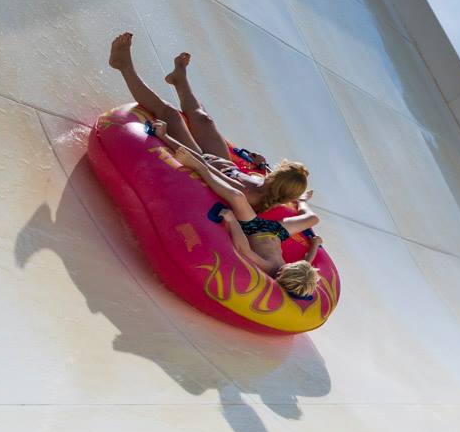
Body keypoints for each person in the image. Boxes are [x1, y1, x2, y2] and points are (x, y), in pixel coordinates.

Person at [107, 31, 310, 214]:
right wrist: (261, 167)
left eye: (275, 171)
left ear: (276, 181)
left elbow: (202, 166)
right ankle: (179, 79)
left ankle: (123, 65)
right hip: (223, 163)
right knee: (204, 120)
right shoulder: (267, 188)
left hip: (203, 163)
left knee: (169, 114)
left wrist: (165, 136)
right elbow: (288, 192)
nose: (271, 171)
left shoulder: (248, 195)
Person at [154, 119, 324, 300]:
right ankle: (303, 200)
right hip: (277, 233)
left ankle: (199, 166)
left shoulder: (267, 266)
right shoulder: (299, 269)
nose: (286, 265)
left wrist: (233, 221)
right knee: (313, 219)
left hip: (255, 228)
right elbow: (307, 261)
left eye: (285, 268)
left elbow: (244, 248)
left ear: (281, 277)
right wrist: (314, 245)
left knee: (237, 197)